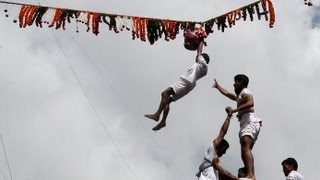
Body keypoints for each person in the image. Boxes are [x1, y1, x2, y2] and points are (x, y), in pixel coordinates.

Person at [144, 40, 210, 131]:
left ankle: (157, 114)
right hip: (190, 86)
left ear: (203, 58)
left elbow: (199, 51)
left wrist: (201, 40)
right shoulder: (205, 70)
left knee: (165, 93)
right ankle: (163, 122)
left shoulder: (202, 61)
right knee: (167, 100)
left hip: (186, 80)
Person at [213, 75, 262, 180]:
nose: (234, 84)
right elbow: (227, 93)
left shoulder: (245, 92)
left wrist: (235, 111)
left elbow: (251, 103)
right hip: (246, 122)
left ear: (241, 82)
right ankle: (248, 173)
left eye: (235, 82)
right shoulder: (240, 96)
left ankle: (251, 175)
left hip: (250, 121)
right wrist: (218, 87)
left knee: (245, 145)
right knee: (244, 150)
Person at [196, 113, 238, 180]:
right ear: (219, 146)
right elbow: (223, 132)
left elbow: (224, 175)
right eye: (224, 150)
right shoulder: (211, 153)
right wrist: (228, 117)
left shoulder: (217, 165)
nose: (224, 153)